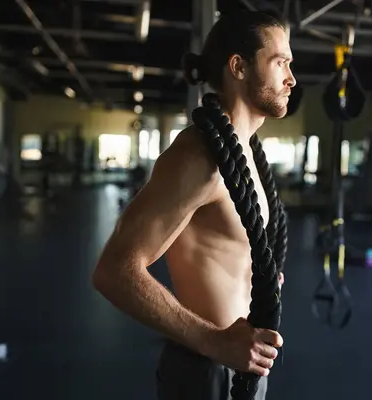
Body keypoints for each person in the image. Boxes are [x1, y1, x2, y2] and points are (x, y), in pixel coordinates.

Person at [92, 10, 296, 400]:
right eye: (280, 63)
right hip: (206, 369)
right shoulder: (199, 158)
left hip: (243, 361)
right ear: (238, 66)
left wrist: (258, 275)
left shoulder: (245, 152)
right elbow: (113, 271)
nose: (292, 78)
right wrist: (216, 342)